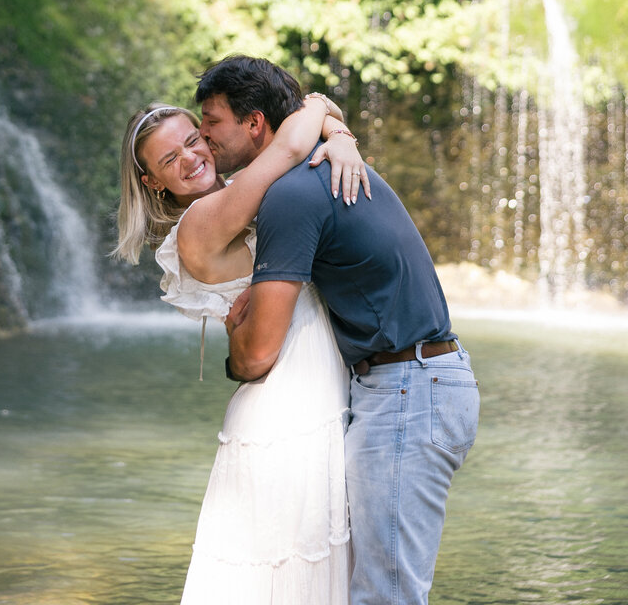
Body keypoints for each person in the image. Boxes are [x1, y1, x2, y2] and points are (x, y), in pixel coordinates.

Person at [196, 56, 480, 605]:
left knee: (387, 595)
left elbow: (258, 354)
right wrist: (336, 127)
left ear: (255, 124)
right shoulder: (319, 172)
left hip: (407, 392)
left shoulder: (291, 196)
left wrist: (234, 347)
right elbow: (316, 106)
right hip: (418, 383)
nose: (204, 135)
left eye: (211, 121)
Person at [115, 87, 368, 604]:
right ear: (152, 181)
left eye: (194, 140)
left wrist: (340, 137)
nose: (191, 158)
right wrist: (319, 106)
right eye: (170, 158)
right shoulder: (201, 224)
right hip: (284, 411)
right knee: (285, 569)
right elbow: (289, 148)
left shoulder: (248, 201)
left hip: (310, 392)